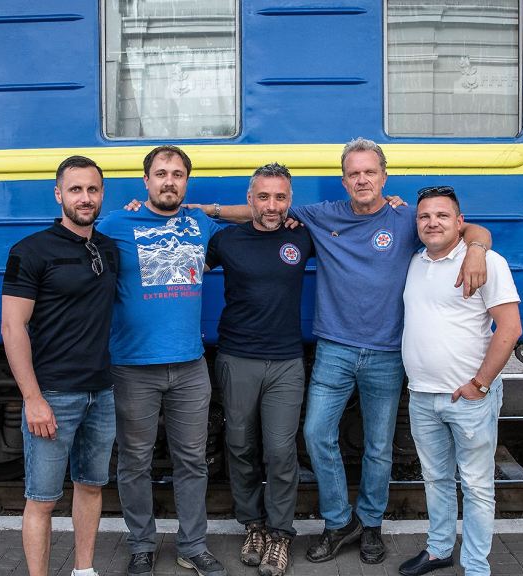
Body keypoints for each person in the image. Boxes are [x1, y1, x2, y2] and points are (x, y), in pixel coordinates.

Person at [196, 137, 492, 565]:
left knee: (378, 445)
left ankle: (370, 523)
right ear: (344, 179)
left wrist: (478, 249)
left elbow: (469, 229)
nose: (362, 179)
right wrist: (209, 211)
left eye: (370, 172)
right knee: (316, 434)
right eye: (354, 173)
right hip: (334, 348)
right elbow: (265, 213)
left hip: (387, 352)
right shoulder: (322, 215)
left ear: (384, 176)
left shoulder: (408, 217)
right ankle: (339, 522)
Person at [96, 146, 226, 576]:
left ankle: (192, 545)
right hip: (133, 367)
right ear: (145, 180)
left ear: (186, 182)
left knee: (193, 460)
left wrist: (207, 206)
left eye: (177, 175)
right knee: (135, 461)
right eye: (160, 174)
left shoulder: (198, 222)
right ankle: (141, 545)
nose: (169, 181)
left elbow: (256, 212)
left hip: (190, 366)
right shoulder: (115, 224)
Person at [1, 155, 119, 576]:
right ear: (59, 194)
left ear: (102, 194)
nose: (84, 198)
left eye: (92, 189)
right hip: (53, 394)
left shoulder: (106, 248)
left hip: (102, 393)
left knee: (90, 487)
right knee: (43, 498)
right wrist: (32, 399)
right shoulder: (29, 251)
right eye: (75, 190)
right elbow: (13, 327)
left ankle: (83, 570)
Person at [397, 186, 522, 576]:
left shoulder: (487, 261)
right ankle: (438, 551)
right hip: (422, 395)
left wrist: (480, 385)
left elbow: (511, 328)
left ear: (460, 222)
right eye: (424, 217)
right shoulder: (416, 262)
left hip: (469, 398)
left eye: (442, 216)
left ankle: (475, 566)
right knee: (435, 479)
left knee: (476, 485)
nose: (432, 222)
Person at [205, 163, 313, 576]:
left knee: (282, 452)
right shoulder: (227, 240)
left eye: (280, 197)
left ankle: (280, 534)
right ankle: (253, 526)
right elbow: (181, 269)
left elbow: (354, 226)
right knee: (239, 446)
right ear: (249, 199)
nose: (271, 205)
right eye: (262, 197)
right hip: (236, 358)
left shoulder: (301, 235)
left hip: (286, 361)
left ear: (290, 200)